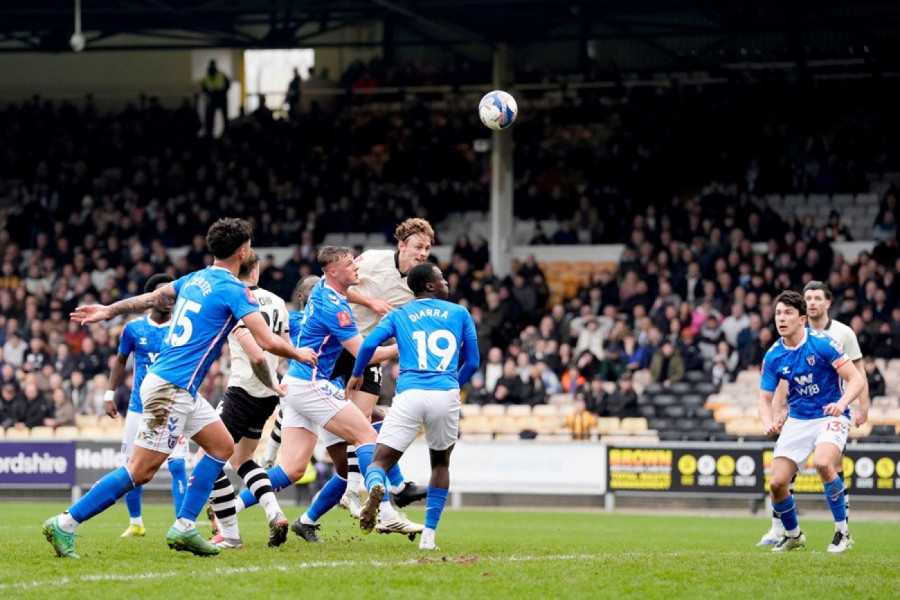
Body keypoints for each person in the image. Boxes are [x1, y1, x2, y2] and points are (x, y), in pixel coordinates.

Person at [43, 218, 317, 559]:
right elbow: (265, 341)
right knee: (140, 471)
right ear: (244, 251)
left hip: (178, 387)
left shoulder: (197, 278)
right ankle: (65, 522)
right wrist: (298, 352)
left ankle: (185, 526)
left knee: (221, 445)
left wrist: (110, 309)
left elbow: (155, 296)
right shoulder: (234, 290)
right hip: (171, 387)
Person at [234, 246, 407, 543]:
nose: (357, 269)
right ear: (332, 272)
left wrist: (368, 300)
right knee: (367, 437)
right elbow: (366, 353)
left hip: (296, 385)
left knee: (292, 469)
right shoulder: (335, 308)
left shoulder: (325, 291)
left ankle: (227, 508)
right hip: (313, 383)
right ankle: (388, 512)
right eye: (350, 264)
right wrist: (404, 345)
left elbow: (345, 294)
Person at [353, 263, 479, 550]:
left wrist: (358, 373)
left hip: (409, 393)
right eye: (442, 278)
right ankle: (429, 537)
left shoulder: (399, 314)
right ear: (431, 285)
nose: (446, 281)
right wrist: (451, 384)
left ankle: (375, 485)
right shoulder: (459, 313)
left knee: (379, 461)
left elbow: (369, 343)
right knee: (440, 463)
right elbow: (472, 362)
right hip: (445, 394)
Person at [331, 218, 434, 517]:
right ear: (401, 245)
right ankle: (386, 488)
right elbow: (335, 288)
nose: (423, 253)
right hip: (339, 340)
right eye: (418, 246)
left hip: (367, 351)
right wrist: (370, 302)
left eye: (427, 248)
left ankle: (362, 491)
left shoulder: (418, 284)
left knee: (364, 419)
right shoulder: (375, 259)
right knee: (361, 421)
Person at [757, 281, 870, 547]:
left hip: (830, 415)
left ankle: (843, 532)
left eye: (788, 313)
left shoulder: (822, 344)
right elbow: (764, 397)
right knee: (777, 483)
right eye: (778, 313)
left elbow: (856, 379)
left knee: (823, 463)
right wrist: (768, 421)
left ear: (802, 319)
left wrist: (842, 404)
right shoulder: (774, 355)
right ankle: (794, 535)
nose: (781, 318)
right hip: (798, 419)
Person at [205, 250, 293, 550]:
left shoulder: (234, 299)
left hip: (243, 389)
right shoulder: (279, 302)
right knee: (242, 460)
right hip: (270, 393)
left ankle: (228, 532)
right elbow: (284, 347)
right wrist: (278, 380)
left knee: (210, 457)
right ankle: (275, 513)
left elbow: (253, 350)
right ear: (255, 272)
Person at [103, 274, 189, 539]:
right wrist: (109, 394)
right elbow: (120, 360)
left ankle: (182, 523)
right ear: (150, 298)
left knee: (177, 465)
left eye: (173, 296)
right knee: (132, 466)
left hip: (173, 405)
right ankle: (136, 522)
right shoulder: (133, 328)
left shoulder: (182, 327)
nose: (169, 301)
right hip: (139, 407)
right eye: (164, 295)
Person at [202, 59, 230, 138]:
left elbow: (228, 85)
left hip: (221, 97)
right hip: (212, 98)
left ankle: (226, 133)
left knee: (224, 117)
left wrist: (222, 92)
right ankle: (209, 134)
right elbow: (204, 88)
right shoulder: (207, 77)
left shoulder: (221, 75)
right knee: (210, 118)